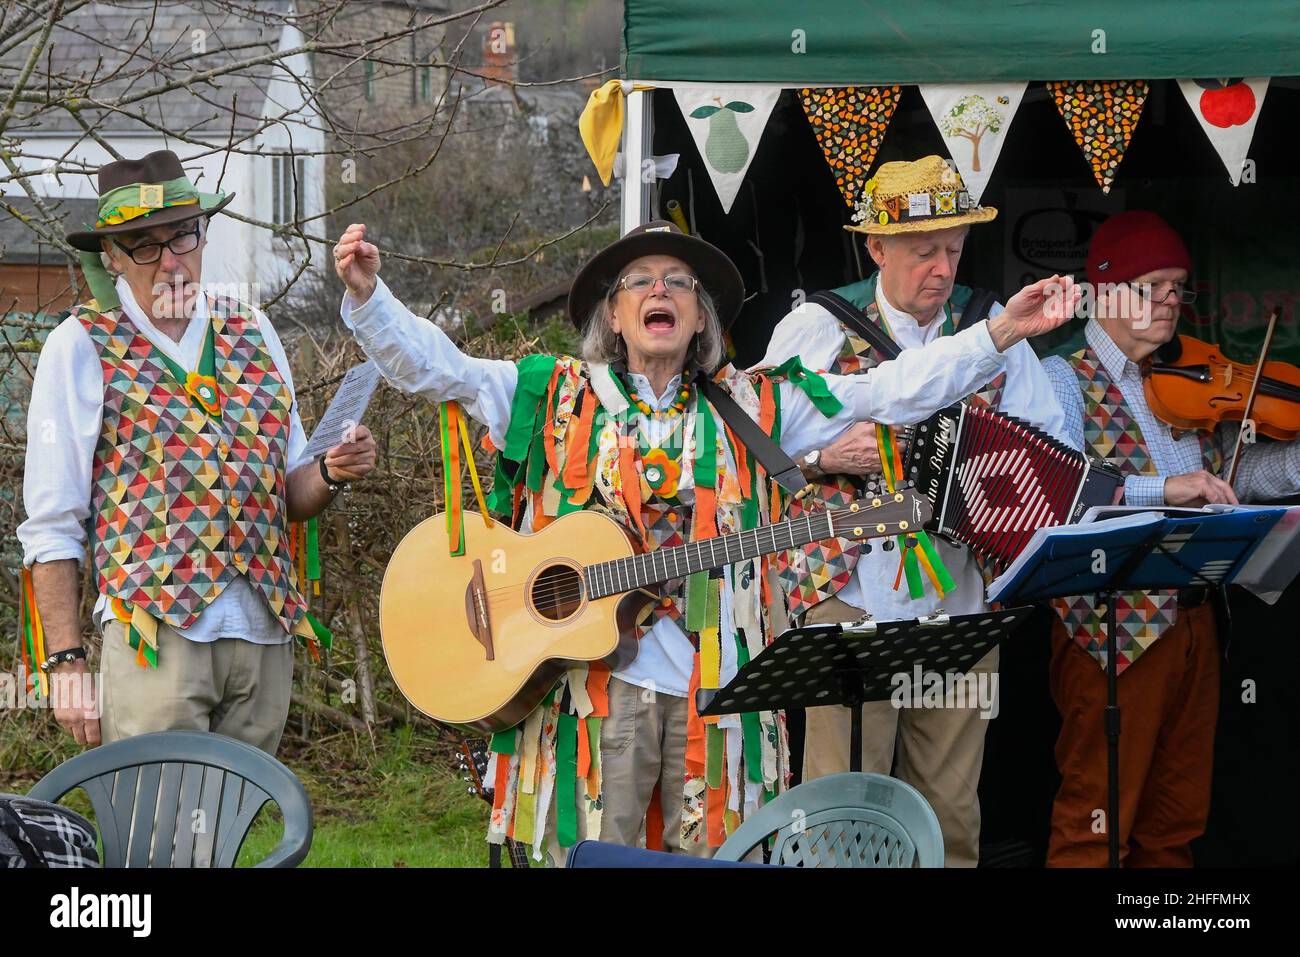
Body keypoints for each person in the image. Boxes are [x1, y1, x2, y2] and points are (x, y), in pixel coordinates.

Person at [333, 216, 1073, 863]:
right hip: (598, 697)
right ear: (614, 316)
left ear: (700, 318)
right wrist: (371, 299)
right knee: (598, 859)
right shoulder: (551, 392)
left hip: (717, 702)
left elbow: (890, 389)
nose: (664, 291)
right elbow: (440, 370)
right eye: (642, 281)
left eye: (682, 282)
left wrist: (999, 332)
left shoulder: (756, 405)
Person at [760, 155, 1078, 866]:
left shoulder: (990, 321)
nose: (942, 267)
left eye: (954, 248)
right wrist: (821, 461)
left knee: (952, 814)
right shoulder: (817, 324)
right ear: (875, 247)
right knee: (845, 807)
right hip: (850, 597)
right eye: (923, 249)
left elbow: (1052, 448)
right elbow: (752, 457)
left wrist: (999, 489)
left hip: (960, 598)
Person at [18, 150, 376, 754]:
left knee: (234, 835)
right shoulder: (80, 345)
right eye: (143, 245)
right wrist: (66, 664)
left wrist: (331, 471)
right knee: (157, 836)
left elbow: (288, 491)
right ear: (111, 256)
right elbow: (53, 526)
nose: (170, 261)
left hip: (264, 637)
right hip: (154, 641)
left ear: (202, 234)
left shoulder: (254, 330)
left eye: (182, 235)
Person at [1040, 209, 1300, 866]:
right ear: (1102, 291)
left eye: (1178, 287)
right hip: (1110, 629)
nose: (1170, 302)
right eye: (1152, 285)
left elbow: (1235, 476)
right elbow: (1063, 486)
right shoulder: (1059, 377)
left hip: (1195, 620)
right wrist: (1166, 490)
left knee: (1175, 823)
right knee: (1095, 821)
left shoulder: (1184, 379)